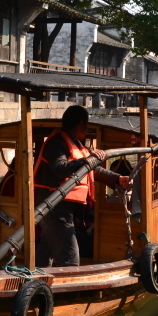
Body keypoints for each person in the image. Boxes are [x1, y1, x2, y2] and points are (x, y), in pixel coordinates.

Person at [33, 105, 130, 267]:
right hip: (54, 207)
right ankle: (69, 290)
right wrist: (86, 160)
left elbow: (92, 169)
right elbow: (59, 168)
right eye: (86, 126)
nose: (86, 130)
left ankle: (36, 283)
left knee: (47, 248)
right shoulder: (57, 143)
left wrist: (117, 179)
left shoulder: (76, 143)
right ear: (80, 124)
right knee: (70, 257)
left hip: (62, 208)